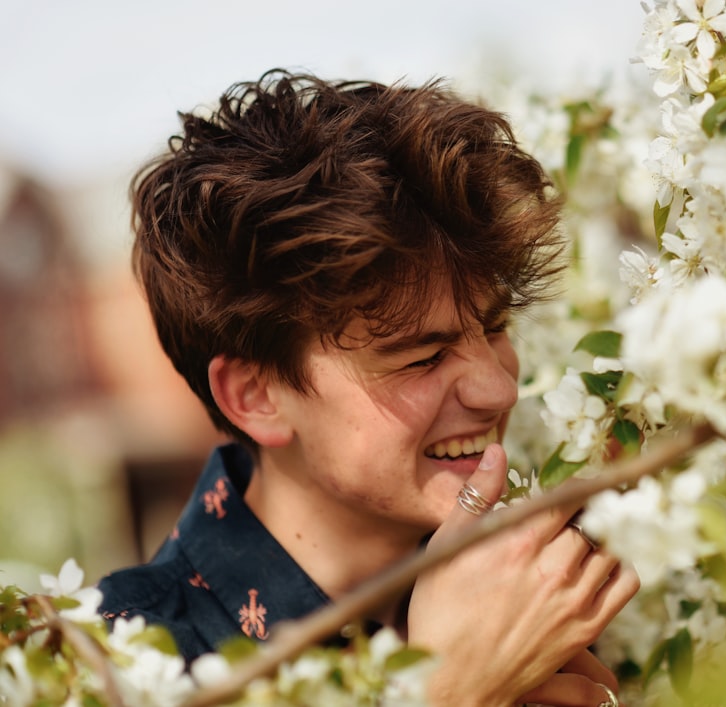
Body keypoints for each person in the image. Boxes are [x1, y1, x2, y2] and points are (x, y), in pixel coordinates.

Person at [98, 69, 639, 706]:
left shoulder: (536, 592)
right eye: (421, 358)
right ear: (256, 396)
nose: (497, 389)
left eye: (495, 328)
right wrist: (443, 692)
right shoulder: (113, 661)